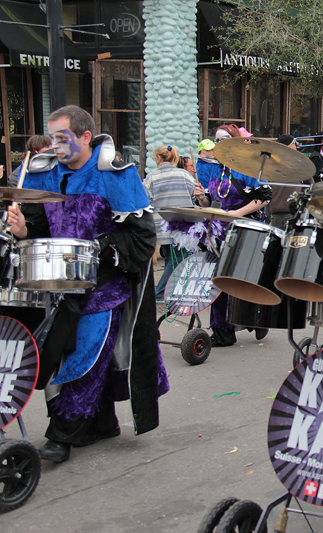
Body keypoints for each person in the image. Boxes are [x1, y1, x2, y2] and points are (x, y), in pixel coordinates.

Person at [7, 105, 168, 463]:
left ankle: (62, 433)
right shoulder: (44, 174)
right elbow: (40, 228)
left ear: (84, 137)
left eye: (61, 138)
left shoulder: (114, 174)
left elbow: (143, 237)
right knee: (57, 354)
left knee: (87, 356)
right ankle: (102, 423)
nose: (54, 146)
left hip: (104, 288)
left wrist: (103, 248)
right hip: (55, 287)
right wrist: (23, 229)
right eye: (51, 138)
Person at [193, 124, 273, 347]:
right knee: (219, 279)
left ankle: (257, 317)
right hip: (219, 231)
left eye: (225, 139)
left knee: (244, 280)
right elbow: (210, 202)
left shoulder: (248, 167)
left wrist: (236, 214)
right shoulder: (215, 169)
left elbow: (264, 197)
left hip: (245, 230)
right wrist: (201, 198)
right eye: (217, 140)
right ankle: (222, 331)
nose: (220, 144)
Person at [143, 145, 196, 302]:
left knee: (171, 258)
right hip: (182, 224)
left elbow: (145, 200)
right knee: (176, 259)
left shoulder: (151, 178)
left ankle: (165, 292)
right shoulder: (185, 175)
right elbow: (194, 194)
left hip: (161, 225)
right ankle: (161, 292)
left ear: (158, 158)